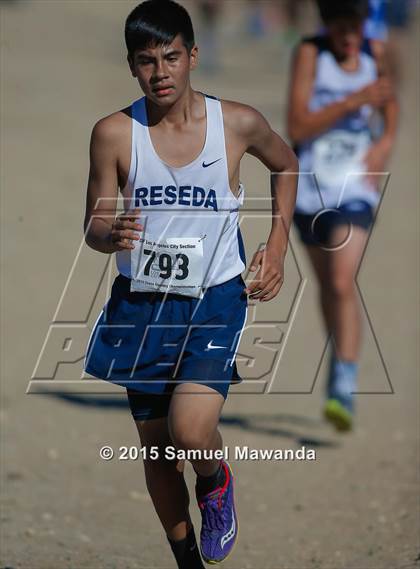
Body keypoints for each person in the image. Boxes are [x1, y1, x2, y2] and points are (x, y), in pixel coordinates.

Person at [83, 1, 298, 567]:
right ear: (132, 66)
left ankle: (215, 479)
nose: (160, 72)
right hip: (140, 308)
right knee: (157, 453)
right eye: (146, 61)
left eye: (171, 57)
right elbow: (95, 225)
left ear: (193, 56)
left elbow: (287, 164)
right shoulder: (112, 134)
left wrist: (276, 246)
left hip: (213, 300)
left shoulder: (238, 123)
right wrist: (111, 234)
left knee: (190, 429)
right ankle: (185, 561)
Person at [288, 0, 398, 432]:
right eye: (339, 25)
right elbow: (296, 127)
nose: (348, 34)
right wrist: (353, 100)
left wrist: (385, 141)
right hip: (311, 186)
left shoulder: (378, 53)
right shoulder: (310, 53)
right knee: (328, 287)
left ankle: (343, 383)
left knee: (341, 279)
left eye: (354, 25)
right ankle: (341, 350)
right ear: (326, 23)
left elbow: (391, 105)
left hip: (355, 186)